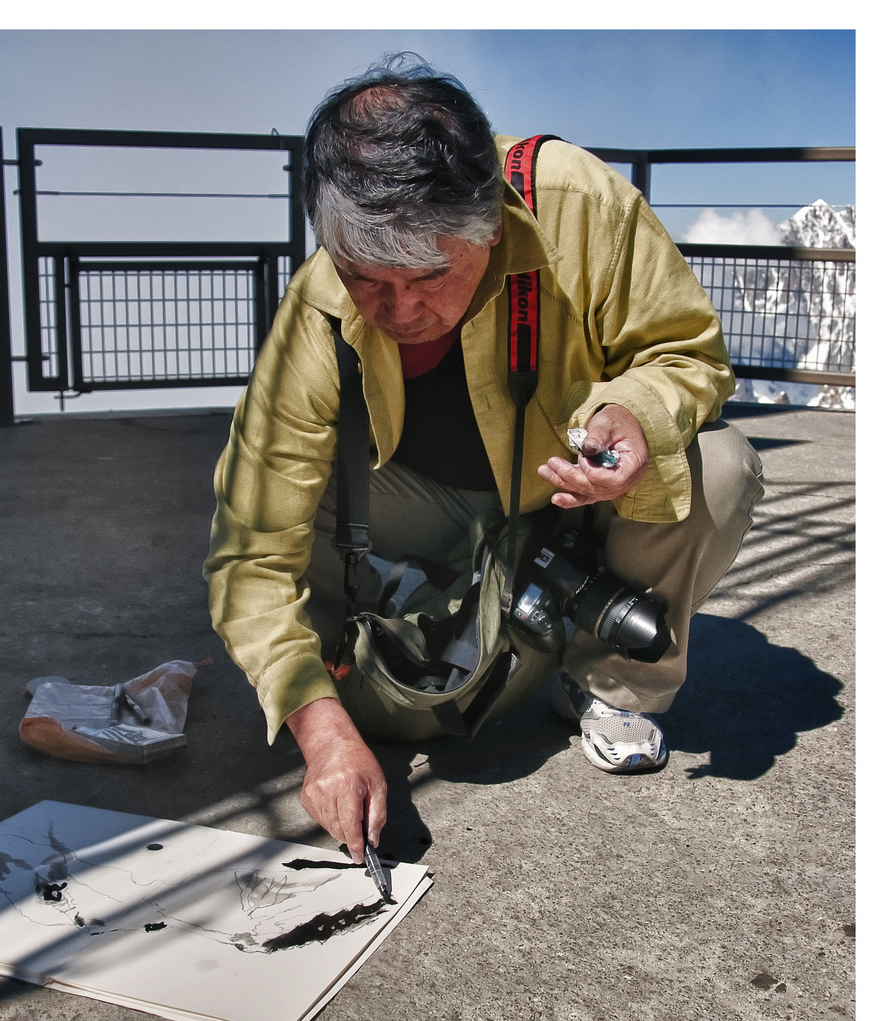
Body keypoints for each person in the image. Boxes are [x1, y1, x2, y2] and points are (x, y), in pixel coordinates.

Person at [203, 55, 764, 866]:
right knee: (276, 505)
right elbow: (249, 547)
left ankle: (608, 685)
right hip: (422, 504)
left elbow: (689, 354)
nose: (402, 312)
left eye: (431, 275)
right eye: (367, 281)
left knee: (721, 465)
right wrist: (318, 729)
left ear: (491, 227)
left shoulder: (576, 206)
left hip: (567, 493)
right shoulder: (318, 305)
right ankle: (365, 649)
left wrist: (638, 412)